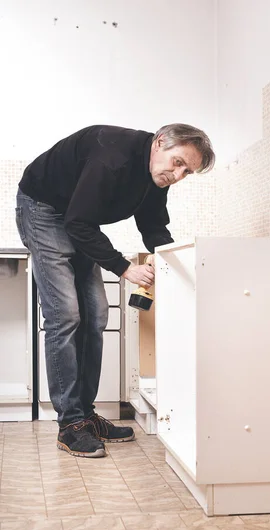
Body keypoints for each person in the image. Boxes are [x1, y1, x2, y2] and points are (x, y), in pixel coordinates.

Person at [15, 124, 215, 458]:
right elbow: (77, 222)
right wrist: (124, 268)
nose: (178, 175)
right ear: (160, 142)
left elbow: (152, 225)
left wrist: (173, 262)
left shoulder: (157, 175)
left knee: (96, 315)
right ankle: (70, 425)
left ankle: (85, 415)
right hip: (43, 210)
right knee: (65, 314)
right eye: (177, 162)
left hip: (77, 220)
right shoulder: (114, 158)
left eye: (187, 172)